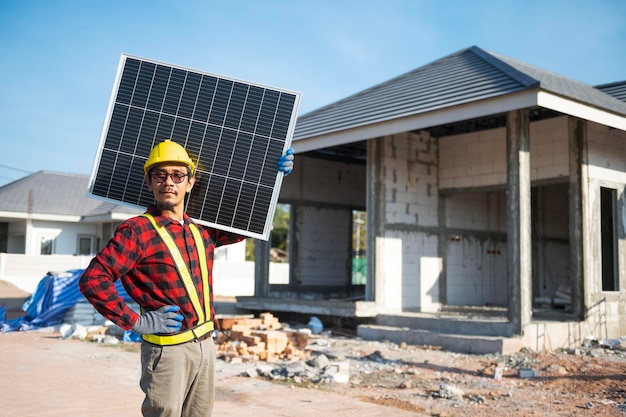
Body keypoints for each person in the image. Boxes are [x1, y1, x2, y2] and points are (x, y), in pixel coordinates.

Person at [79, 139, 294, 417]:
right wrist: (136, 322)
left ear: (189, 183)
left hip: (205, 346)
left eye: (177, 175)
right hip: (168, 353)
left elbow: (249, 225)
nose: (169, 182)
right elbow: (93, 280)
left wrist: (275, 180)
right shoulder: (137, 231)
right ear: (149, 182)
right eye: (160, 175)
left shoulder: (200, 229)